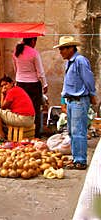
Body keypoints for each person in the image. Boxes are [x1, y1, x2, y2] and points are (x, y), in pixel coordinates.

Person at [53, 36, 96, 170]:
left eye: (63, 49)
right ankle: (76, 158)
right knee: (72, 132)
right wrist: (63, 101)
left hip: (79, 101)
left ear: (71, 48)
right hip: (71, 101)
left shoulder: (80, 61)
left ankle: (81, 160)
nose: (61, 52)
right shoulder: (69, 63)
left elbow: (88, 79)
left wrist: (92, 94)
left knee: (78, 132)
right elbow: (67, 85)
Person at [13, 37, 48, 138]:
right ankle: (35, 134)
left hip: (20, 83)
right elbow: (40, 72)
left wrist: (19, 78)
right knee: (35, 110)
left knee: (20, 108)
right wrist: (45, 84)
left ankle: (22, 133)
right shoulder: (34, 53)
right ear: (33, 41)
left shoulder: (16, 51)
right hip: (33, 85)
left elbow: (15, 68)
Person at [0, 76, 35, 140]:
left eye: (6, 84)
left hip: (23, 119)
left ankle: (1, 135)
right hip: (30, 119)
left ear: (12, 83)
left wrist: (3, 94)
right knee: (4, 112)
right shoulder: (18, 89)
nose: (4, 87)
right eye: (2, 86)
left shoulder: (12, 91)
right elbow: (5, 107)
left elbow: (3, 107)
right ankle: (5, 134)